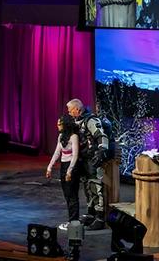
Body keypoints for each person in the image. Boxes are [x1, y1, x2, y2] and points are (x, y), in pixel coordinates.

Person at [67, 98, 114, 231]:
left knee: (95, 186)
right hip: (84, 159)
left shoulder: (91, 120)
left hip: (93, 158)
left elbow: (101, 136)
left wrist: (101, 152)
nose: (69, 113)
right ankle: (91, 213)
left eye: (70, 110)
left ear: (77, 109)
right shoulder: (77, 121)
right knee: (87, 187)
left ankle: (99, 218)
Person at [46, 115, 80, 231]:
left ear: (65, 124)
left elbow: (75, 155)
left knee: (72, 195)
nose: (57, 126)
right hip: (64, 166)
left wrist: (70, 171)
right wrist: (49, 167)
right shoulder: (61, 136)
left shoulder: (74, 137)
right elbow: (57, 152)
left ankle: (74, 222)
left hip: (72, 166)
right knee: (67, 195)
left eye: (59, 124)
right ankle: (72, 220)